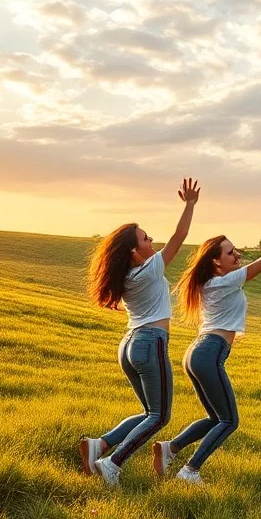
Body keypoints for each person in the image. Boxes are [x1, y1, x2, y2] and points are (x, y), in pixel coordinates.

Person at [151, 218, 261, 484]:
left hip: (197, 352)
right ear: (216, 262)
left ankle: (170, 448)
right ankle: (190, 471)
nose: (237, 254)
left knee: (215, 417)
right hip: (209, 352)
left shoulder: (209, 283)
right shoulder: (225, 281)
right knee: (229, 421)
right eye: (230, 252)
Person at [80, 179, 200, 487]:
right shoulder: (149, 268)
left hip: (129, 345)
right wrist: (189, 204)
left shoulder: (127, 275)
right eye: (146, 239)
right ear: (135, 252)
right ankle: (112, 464)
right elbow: (180, 236)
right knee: (160, 416)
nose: (152, 242)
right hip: (150, 344)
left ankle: (101, 445)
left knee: (149, 411)